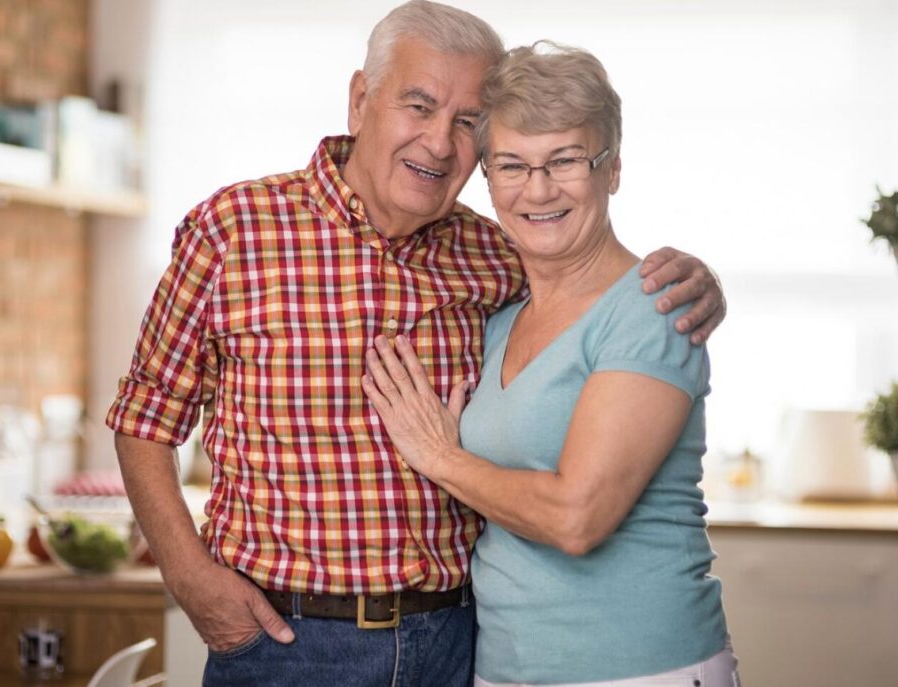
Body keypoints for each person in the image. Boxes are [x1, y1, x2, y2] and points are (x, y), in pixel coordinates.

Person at [107, 4, 726, 686]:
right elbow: (145, 417)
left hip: (459, 641)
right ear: (360, 99)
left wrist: (698, 281)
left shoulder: (495, 255)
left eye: (466, 123)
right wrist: (192, 580)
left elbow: (596, 285)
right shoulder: (233, 232)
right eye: (419, 105)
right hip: (288, 642)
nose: (438, 143)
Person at [361, 41, 738, 687]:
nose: (537, 189)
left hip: (641, 665)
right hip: (507, 666)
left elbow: (576, 517)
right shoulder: (499, 313)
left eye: (564, 160)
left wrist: (441, 456)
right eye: (511, 164)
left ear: (611, 168)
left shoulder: (652, 307)